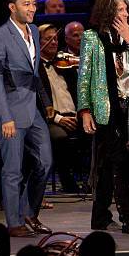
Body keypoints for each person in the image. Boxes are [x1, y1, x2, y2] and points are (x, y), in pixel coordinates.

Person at [77, 0, 129, 234]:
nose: (126, 13)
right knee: (118, 160)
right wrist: (84, 110)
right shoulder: (91, 38)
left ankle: (100, 218)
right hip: (105, 109)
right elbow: (84, 78)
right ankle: (128, 217)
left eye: (127, 9)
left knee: (111, 164)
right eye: (121, 9)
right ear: (108, 12)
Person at [0, 0, 53, 237]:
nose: (32, 8)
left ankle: (28, 212)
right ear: (12, 7)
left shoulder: (34, 31)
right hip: (11, 110)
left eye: (34, 3)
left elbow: (35, 73)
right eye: (26, 4)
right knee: (13, 169)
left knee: (45, 162)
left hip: (32, 106)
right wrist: (6, 117)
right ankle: (14, 222)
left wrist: (45, 102)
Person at [38, 24, 80, 193]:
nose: (54, 42)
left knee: (96, 132)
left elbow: (78, 94)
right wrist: (58, 119)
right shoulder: (35, 69)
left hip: (74, 115)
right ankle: (67, 181)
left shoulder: (65, 65)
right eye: (48, 39)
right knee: (60, 136)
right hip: (51, 119)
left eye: (55, 38)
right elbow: (38, 101)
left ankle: (94, 180)